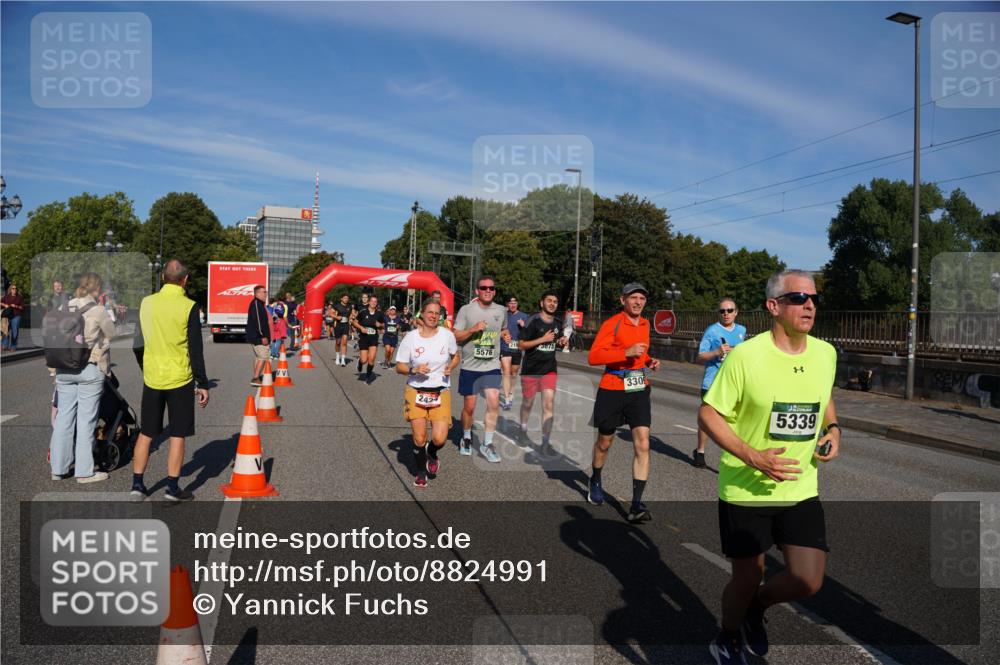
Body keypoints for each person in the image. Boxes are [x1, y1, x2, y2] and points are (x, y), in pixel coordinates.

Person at [699, 269, 839, 665]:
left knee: (808, 580)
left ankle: (755, 609)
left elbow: (824, 395)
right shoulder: (746, 356)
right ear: (774, 307)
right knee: (746, 577)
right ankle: (726, 635)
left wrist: (833, 427)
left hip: (800, 486)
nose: (809, 305)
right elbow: (709, 415)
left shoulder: (825, 353)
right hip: (746, 487)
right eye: (798, 298)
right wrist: (752, 455)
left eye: (813, 298)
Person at [131, 260, 210, 501]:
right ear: (184, 280)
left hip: (153, 376)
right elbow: (195, 350)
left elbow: (137, 344)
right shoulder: (189, 307)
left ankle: (137, 485)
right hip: (180, 378)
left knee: (146, 432)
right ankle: (172, 489)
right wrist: (203, 382)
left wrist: (146, 366)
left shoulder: (147, 302)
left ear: (164, 277)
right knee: (177, 434)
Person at [586, 282, 661, 524]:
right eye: (633, 298)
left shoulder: (646, 324)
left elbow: (641, 351)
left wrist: (648, 361)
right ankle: (596, 478)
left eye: (642, 298)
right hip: (612, 388)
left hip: (638, 389)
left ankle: (636, 504)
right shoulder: (613, 323)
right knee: (605, 442)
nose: (638, 302)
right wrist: (624, 353)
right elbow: (593, 357)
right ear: (623, 300)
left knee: (643, 444)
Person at [49, 272, 116, 483]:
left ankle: (58, 469)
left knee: (63, 419)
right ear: (96, 290)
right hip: (89, 368)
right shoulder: (97, 310)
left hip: (63, 369)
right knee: (86, 421)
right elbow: (111, 333)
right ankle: (84, 472)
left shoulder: (63, 307)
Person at [395, 298, 460, 488]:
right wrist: (413, 370)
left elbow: (456, 355)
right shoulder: (411, 337)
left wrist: (451, 366)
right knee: (419, 438)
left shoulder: (447, 335)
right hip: (416, 390)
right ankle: (421, 471)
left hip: (440, 391)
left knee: (439, 438)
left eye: (437, 313)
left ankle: (431, 452)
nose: (433, 316)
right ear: (422, 314)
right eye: (430, 312)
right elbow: (399, 366)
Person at [453, 276, 508, 462]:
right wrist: (472, 329)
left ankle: (487, 444)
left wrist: (505, 334)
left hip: (491, 365)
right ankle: (466, 437)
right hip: (470, 366)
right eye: (484, 287)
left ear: (495, 291)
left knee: (493, 403)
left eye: (491, 288)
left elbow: (503, 329)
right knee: (470, 406)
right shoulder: (466, 310)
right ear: (477, 290)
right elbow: (456, 336)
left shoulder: (501, 310)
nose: (488, 290)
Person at [694, 297, 747, 468]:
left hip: (735, 382)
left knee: (733, 421)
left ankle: (733, 454)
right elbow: (701, 356)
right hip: (713, 382)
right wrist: (717, 352)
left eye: (730, 310)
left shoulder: (741, 330)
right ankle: (700, 451)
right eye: (722, 311)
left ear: (736, 312)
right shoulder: (712, 331)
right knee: (708, 420)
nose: (726, 314)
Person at [517, 291, 568, 452]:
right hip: (531, 369)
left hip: (549, 369)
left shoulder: (559, 323)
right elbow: (521, 345)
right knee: (528, 403)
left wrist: (561, 342)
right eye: (549, 301)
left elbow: (558, 342)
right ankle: (523, 430)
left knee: (548, 404)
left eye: (555, 301)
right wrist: (542, 339)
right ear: (541, 303)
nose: (552, 303)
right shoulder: (532, 321)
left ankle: (545, 441)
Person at [500, 295, 529, 410]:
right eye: (510, 303)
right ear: (507, 304)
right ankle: (507, 399)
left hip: (517, 348)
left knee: (514, 373)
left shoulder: (524, 316)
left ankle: (511, 393)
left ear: (517, 304)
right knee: (506, 371)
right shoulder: (503, 315)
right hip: (505, 347)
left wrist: (524, 326)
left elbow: (530, 332)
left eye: (514, 303)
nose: (512, 305)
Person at [353, 294, 383, 381]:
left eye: (375, 301)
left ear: (376, 303)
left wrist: (380, 325)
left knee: (372, 358)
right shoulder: (363, 312)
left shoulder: (379, 314)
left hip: (373, 338)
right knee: (364, 360)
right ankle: (360, 362)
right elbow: (355, 322)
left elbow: (383, 325)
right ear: (369, 302)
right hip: (363, 338)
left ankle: (368, 375)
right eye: (372, 301)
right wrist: (361, 328)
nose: (373, 303)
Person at [245, 285, 270, 387]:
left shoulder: (259, 304)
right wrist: (262, 336)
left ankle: (257, 377)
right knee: (263, 356)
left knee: (258, 356)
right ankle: (255, 378)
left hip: (257, 336)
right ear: (257, 293)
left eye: (266, 292)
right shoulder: (256, 303)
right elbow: (258, 321)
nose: (266, 294)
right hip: (258, 336)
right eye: (264, 292)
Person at [1, 283, 26, 351]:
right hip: (7, 316)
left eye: (16, 288)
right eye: (13, 288)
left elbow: (23, 307)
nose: (15, 290)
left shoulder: (19, 297)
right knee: (5, 330)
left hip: (16, 315)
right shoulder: (6, 296)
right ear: (10, 289)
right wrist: (5, 305)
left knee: (15, 332)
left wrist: (16, 306)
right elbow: (0, 302)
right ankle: (4, 345)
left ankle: (13, 346)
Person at [333, 293, 353, 366]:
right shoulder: (336, 305)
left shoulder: (349, 306)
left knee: (344, 342)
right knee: (338, 342)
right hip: (338, 324)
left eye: (347, 298)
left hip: (346, 325)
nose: (346, 299)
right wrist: (336, 317)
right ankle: (337, 357)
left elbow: (351, 314)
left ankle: (343, 359)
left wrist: (350, 318)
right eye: (344, 298)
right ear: (341, 299)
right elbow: (330, 313)